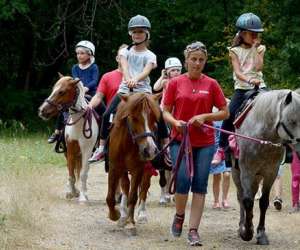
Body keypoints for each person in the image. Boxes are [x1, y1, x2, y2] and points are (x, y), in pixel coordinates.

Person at [163, 41, 229, 246]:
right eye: (193, 59)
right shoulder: (175, 83)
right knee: (182, 180)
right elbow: (164, 111)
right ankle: (180, 215)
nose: (197, 63)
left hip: (205, 142)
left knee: (200, 183)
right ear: (186, 61)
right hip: (179, 140)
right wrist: (175, 122)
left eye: (201, 60)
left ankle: (193, 230)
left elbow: (224, 112)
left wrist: (205, 116)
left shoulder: (211, 84)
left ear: (205, 61)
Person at [89, 15, 169, 163]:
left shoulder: (150, 55)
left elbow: (146, 70)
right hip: (125, 90)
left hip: (144, 92)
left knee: (160, 116)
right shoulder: (125, 52)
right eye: (134, 32)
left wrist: (136, 79)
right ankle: (101, 149)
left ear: (147, 34)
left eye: (140, 32)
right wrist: (127, 78)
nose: (137, 34)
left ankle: (166, 146)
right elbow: (124, 66)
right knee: (107, 115)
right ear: (130, 34)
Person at [212, 13, 266, 165]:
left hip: (260, 86)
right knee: (229, 115)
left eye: (257, 33)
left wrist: (255, 48)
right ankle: (221, 149)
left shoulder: (260, 48)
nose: (255, 36)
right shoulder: (234, 51)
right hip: (242, 88)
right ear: (242, 33)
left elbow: (258, 67)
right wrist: (249, 80)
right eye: (252, 33)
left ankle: (281, 143)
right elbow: (238, 72)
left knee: (273, 107)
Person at [48, 40, 99, 143]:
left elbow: (94, 80)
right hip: (79, 93)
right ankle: (57, 132)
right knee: (63, 106)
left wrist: (86, 88)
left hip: (91, 92)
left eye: (82, 53)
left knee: (101, 108)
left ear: (89, 54)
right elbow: (75, 81)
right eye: (77, 53)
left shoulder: (94, 67)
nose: (79, 56)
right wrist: (80, 89)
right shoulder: (75, 67)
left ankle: (102, 131)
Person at [88, 44, 127, 162]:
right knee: (105, 117)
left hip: (133, 113)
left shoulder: (137, 76)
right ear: (117, 58)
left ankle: (160, 153)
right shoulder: (107, 76)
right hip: (113, 116)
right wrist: (88, 107)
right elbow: (98, 96)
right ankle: (101, 148)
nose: (125, 58)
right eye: (122, 55)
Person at [153, 57, 182, 205]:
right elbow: (156, 87)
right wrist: (162, 75)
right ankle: (164, 192)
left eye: (178, 69)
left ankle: (176, 191)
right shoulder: (165, 82)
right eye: (173, 70)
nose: (176, 72)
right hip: (165, 117)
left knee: (177, 161)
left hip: (177, 117)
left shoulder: (183, 81)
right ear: (168, 72)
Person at [210, 119, 231, 209]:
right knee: (217, 176)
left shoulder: (227, 119)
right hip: (215, 150)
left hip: (226, 149)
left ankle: (225, 199)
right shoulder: (212, 119)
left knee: (227, 175)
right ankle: (216, 201)